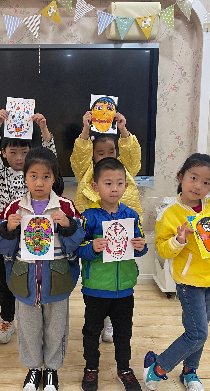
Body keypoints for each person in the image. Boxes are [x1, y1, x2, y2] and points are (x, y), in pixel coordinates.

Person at [143, 153, 210, 391]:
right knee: (198, 333)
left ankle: (190, 371)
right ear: (180, 177)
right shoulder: (170, 214)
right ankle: (158, 366)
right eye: (193, 178)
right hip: (189, 282)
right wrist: (179, 240)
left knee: (200, 331)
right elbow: (162, 250)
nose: (198, 186)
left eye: (206, 182)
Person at [0, 147, 85, 391]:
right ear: (25, 177)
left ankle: (52, 369)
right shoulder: (14, 208)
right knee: (28, 329)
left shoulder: (66, 207)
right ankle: (33, 368)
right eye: (33, 176)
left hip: (57, 279)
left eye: (46, 176)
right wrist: (8, 229)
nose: (39, 182)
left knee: (56, 328)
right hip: (25, 281)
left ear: (54, 178)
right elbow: (1, 246)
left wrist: (68, 226)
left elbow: (78, 243)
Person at [0, 109, 57, 344]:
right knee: (6, 281)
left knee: (33, 277)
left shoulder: (34, 175)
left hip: (35, 233)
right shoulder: (2, 175)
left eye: (24, 152)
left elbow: (50, 157)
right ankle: (7, 320)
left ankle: (37, 320)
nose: (19, 158)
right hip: (8, 235)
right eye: (12, 152)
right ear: (4, 153)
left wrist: (43, 129)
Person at [77, 158, 148, 391]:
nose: (114, 188)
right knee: (91, 330)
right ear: (95, 186)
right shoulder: (89, 217)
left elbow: (140, 246)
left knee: (124, 331)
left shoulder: (131, 215)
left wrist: (141, 246)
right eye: (108, 183)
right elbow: (78, 248)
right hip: (96, 287)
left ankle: (124, 369)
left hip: (124, 287)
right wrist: (91, 247)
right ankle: (91, 368)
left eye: (119, 183)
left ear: (126, 186)